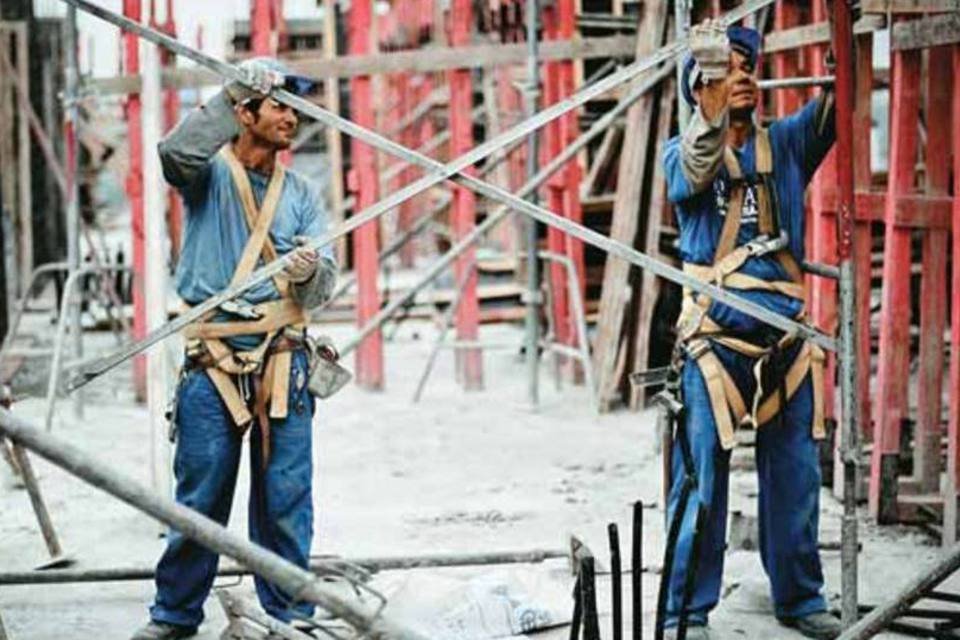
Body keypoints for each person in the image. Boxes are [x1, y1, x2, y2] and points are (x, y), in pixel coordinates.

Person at [132, 58, 337, 640]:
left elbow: (323, 287)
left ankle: (290, 615)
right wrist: (235, 89)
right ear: (244, 113)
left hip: (284, 361)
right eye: (278, 106)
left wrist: (304, 275)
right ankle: (174, 616)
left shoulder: (301, 195)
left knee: (286, 500)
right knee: (199, 498)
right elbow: (175, 155)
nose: (290, 119)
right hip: (212, 363)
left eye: (296, 109)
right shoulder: (208, 177)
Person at [659, 20, 842, 640]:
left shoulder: (786, 146)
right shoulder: (681, 158)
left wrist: (848, 47)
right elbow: (698, 160)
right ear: (697, 86)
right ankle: (684, 612)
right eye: (722, 68)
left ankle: (800, 598)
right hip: (716, 340)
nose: (740, 75)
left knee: (797, 476)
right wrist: (708, 95)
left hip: (785, 340)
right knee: (700, 480)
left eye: (744, 65)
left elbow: (842, 107)